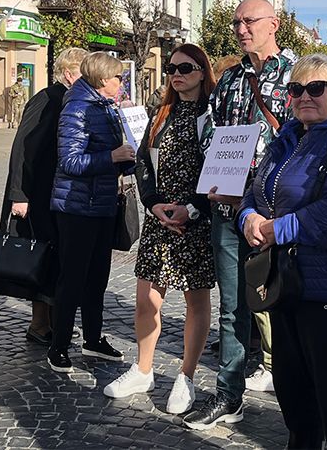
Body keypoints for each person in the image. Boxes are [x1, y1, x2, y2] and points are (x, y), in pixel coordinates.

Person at [241, 54, 327, 448]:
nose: (305, 96)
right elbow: (256, 191)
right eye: (296, 89)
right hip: (284, 285)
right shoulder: (285, 138)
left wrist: (278, 229)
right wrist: (249, 217)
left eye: (317, 88)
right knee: (294, 394)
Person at [186, 0, 295, 431]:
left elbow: (307, 140)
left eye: (249, 21)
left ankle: (296, 401)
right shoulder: (230, 78)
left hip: (274, 213)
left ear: (274, 23)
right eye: (236, 23)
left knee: (284, 305)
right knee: (233, 307)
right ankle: (229, 394)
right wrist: (214, 174)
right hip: (227, 209)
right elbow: (209, 131)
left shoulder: (298, 77)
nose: (241, 29)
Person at [104, 44, 217, 415]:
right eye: (171, 68)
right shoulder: (160, 113)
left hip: (194, 221)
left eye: (185, 67)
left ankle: (186, 376)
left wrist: (192, 209)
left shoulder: (214, 115)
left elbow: (220, 172)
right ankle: (143, 368)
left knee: (195, 300)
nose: (176, 74)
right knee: (146, 299)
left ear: (202, 71)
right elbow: (142, 164)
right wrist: (152, 203)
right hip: (160, 218)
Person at [47, 51, 135, 373]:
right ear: (102, 80)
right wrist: (112, 157)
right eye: (118, 78)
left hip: (101, 203)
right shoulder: (77, 108)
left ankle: (93, 339)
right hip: (75, 206)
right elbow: (69, 162)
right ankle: (58, 346)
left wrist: (132, 158)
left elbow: (114, 157)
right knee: (73, 277)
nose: (121, 83)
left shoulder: (106, 107)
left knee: (98, 276)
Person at [0, 48, 86, 345]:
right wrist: (18, 195)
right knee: (41, 256)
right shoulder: (47, 98)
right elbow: (24, 148)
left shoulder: (71, 99)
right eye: (84, 72)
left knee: (56, 258)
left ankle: (52, 321)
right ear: (70, 73)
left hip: (56, 194)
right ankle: (39, 324)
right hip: (38, 193)